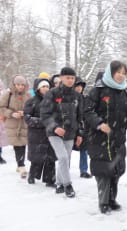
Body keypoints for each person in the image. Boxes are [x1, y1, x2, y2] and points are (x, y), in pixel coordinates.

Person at [84, 61, 127, 213]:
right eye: (118, 72)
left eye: (124, 73)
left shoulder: (125, 93)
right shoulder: (98, 91)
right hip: (100, 139)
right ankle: (103, 202)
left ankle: (112, 199)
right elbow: (87, 111)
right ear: (111, 72)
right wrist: (99, 124)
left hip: (118, 139)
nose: (121, 75)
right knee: (103, 171)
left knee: (116, 170)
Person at [40, 67, 83, 198]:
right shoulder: (52, 93)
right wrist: (54, 127)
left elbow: (80, 117)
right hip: (54, 133)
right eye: (67, 77)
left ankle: (58, 183)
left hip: (70, 133)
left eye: (72, 78)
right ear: (61, 78)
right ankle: (67, 185)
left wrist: (80, 133)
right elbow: (44, 114)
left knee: (66, 159)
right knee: (63, 157)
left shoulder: (78, 96)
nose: (70, 80)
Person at [23, 78, 56, 186]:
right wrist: (42, 122)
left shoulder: (53, 101)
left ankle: (50, 179)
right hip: (36, 134)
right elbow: (27, 118)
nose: (46, 89)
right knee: (37, 157)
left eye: (47, 86)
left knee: (50, 157)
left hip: (50, 133)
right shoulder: (31, 101)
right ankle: (32, 175)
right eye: (43, 86)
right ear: (38, 88)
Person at [0, 75, 31, 178]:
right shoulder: (8, 94)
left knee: (23, 144)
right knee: (18, 144)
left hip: (24, 123)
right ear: (14, 84)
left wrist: (25, 112)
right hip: (12, 124)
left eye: (22, 84)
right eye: (18, 84)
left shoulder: (28, 95)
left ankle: (19, 164)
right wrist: (12, 114)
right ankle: (21, 165)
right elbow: (1, 107)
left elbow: (32, 108)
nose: (20, 87)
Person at [73, 76, 92, 179]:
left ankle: (83, 170)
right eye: (77, 86)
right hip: (71, 128)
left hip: (83, 128)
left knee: (84, 149)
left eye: (81, 86)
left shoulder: (85, 99)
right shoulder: (69, 98)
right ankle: (65, 170)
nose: (79, 88)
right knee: (67, 151)